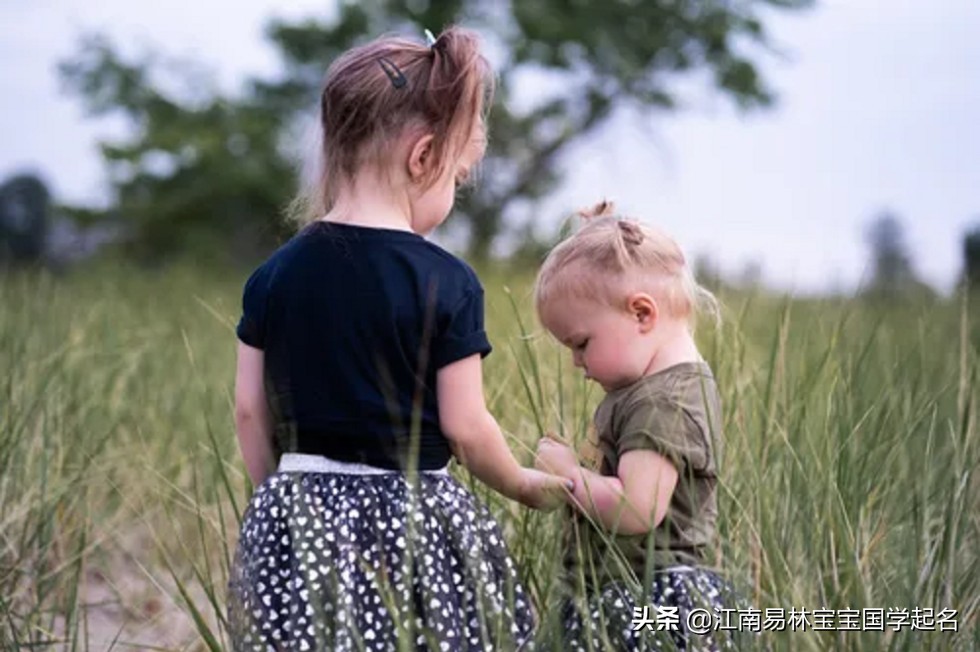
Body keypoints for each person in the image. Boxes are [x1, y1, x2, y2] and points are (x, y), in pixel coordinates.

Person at [227, 26, 571, 652]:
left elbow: (250, 409)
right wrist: (521, 483)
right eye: (457, 177)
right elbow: (467, 428)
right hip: (414, 516)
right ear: (423, 157)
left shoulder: (271, 276)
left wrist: (277, 499)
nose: (453, 194)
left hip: (296, 506)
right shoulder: (448, 281)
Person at [533, 201, 743, 651]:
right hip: (622, 595)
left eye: (581, 343)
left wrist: (570, 474)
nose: (576, 363)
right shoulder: (647, 390)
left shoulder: (665, 402)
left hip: (650, 598)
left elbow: (636, 508)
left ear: (642, 314)